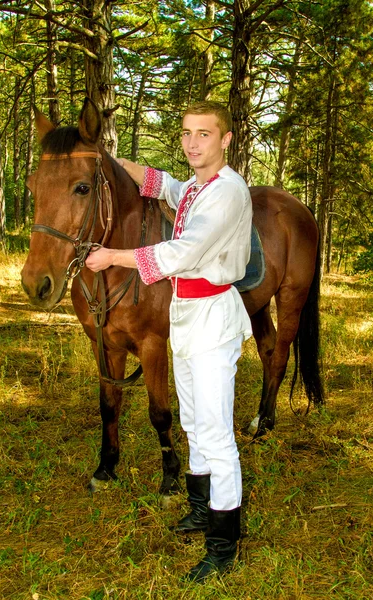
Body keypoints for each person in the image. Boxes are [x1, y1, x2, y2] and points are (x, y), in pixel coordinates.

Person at [85, 101, 253, 583]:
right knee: (196, 422)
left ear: (225, 140)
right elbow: (165, 184)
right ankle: (202, 509)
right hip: (186, 314)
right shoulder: (199, 187)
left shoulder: (227, 192)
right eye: (186, 133)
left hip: (212, 316)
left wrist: (113, 255)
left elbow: (184, 251)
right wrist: (108, 159)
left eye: (204, 133)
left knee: (217, 433)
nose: (193, 143)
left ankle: (223, 544)